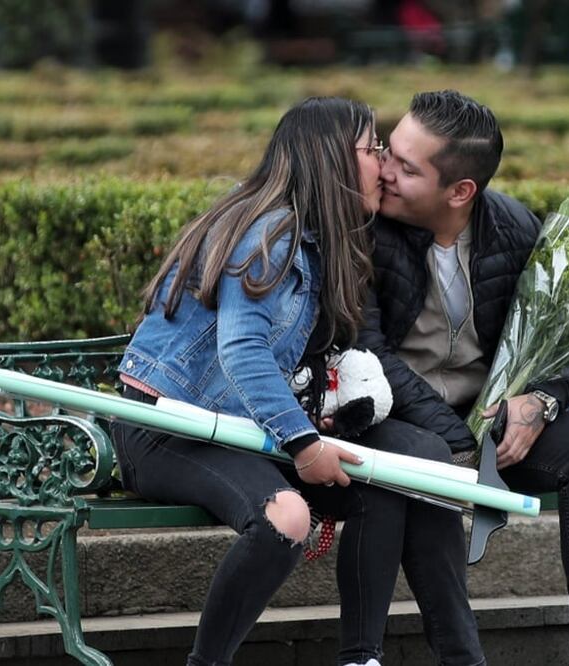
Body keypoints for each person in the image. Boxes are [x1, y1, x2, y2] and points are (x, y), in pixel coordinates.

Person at [112, 96, 407, 666]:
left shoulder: (309, 238)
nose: (384, 165)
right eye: (373, 150)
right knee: (286, 516)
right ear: (334, 162)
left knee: (375, 488)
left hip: (225, 427)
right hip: (163, 426)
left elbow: (266, 363)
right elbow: (243, 351)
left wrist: (306, 416)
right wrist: (301, 443)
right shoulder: (273, 233)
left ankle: (361, 658)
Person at [360, 90, 569, 665]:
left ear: (460, 191)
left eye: (407, 168)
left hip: (490, 419)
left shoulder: (513, 227)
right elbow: (368, 351)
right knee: (426, 465)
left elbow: (564, 333)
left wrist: (541, 401)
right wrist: (457, 443)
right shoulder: (363, 230)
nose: (383, 170)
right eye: (389, 151)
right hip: (399, 419)